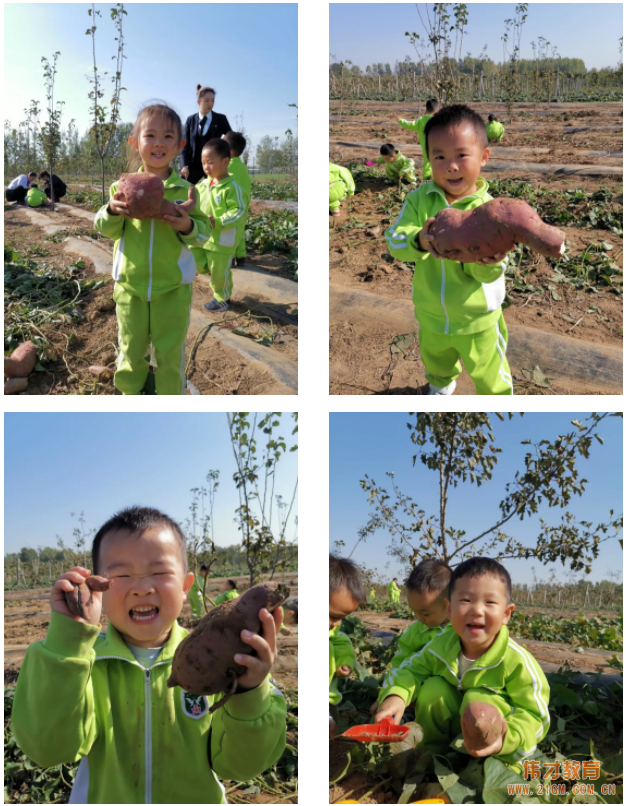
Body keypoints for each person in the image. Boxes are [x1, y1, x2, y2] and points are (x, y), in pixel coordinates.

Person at [11, 506, 286, 803]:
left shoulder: (222, 662)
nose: (142, 588)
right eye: (121, 575)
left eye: (158, 572)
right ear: (99, 588)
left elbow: (241, 767)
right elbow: (49, 750)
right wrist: (66, 643)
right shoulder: (84, 664)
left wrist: (249, 691)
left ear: (185, 587)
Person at [375, 557, 550, 774]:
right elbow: (410, 669)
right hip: (454, 725)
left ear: (506, 614)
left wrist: (507, 740)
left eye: (490, 602)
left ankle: (483, 770)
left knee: (477, 700)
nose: (477, 610)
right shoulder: (440, 645)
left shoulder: (516, 662)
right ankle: (430, 758)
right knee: (432, 689)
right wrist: (396, 696)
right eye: (466, 600)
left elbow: (535, 715)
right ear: (449, 609)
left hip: (495, 750)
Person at [384, 104, 514, 395]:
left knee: (490, 374)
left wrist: (486, 260)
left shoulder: (491, 211)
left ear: (484, 157)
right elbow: (394, 238)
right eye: (439, 156)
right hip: (431, 315)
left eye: (461, 155)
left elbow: (493, 271)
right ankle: (442, 386)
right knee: (436, 360)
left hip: (478, 319)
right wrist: (420, 239)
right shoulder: (419, 200)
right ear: (428, 159)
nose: (450, 165)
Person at [93, 102, 210, 395]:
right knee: (130, 350)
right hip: (130, 288)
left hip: (171, 289)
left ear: (180, 145)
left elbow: (203, 235)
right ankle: (130, 393)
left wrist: (186, 226)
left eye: (168, 137)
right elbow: (105, 229)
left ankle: (170, 395)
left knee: (170, 353)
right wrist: (112, 210)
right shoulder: (122, 187)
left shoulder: (186, 192)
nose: (159, 142)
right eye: (150, 135)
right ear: (134, 142)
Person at [371, 559, 452, 715]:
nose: (419, 618)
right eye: (414, 612)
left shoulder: (462, 630)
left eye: (425, 613)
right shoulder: (417, 629)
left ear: (449, 605)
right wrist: (388, 694)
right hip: (414, 690)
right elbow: (399, 663)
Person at [193, 138, 246, 313]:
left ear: (225, 162)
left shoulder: (232, 187)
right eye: (203, 163)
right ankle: (213, 272)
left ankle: (222, 298)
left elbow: (238, 211)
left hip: (222, 240)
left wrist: (219, 221)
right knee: (195, 259)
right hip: (204, 236)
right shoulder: (203, 184)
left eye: (210, 162)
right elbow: (194, 202)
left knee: (218, 270)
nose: (206, 167)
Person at [329, 553, 366, 740]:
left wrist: (344, 662)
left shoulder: (332, 630)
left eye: (341, 618)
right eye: (332, 616)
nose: (335, 623)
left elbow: (341, 641)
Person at [180, 85, 232, 185]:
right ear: (199, 102)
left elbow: (231, 140)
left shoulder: (221, 119)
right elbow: (184, 146)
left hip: (214, 166)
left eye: (213, 100)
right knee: (183, 189)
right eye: (207, 100)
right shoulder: (190, 120)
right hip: (193, 166)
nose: (210, 103)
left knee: (215, 193)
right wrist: (184, 166)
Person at [224, 131, 252, 267]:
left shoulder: (225, 167)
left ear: (228, 151)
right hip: (243, 205)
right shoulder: (242, 167)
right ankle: (241, 256)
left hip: (229, 206)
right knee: (240, 231)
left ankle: (228, 258)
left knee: (228, 233)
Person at [398, 98, 441, 182]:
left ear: (426, 109)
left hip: (426, 146)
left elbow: (409, 125)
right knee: (440, 161)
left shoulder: (420, 121)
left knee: (428, 163)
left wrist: (401, 121)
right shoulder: (439, 120)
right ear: (437, 110)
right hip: (440, 146)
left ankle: (426, 181)